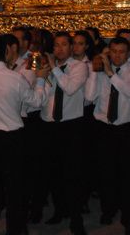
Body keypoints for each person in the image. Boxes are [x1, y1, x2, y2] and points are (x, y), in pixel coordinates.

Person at [0, 35, 49, 235]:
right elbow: (36, 101)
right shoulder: (15, 78)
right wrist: (40, 79)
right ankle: (15, 229)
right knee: (15, 189)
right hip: (11, 138)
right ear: (7, 51)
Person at [85, 36, 130, 235]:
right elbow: (89, 97)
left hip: (127, 129)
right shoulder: (102, 70)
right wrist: (96, 71)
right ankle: (108, 209)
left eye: (121, 52)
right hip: (105, 128)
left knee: (129, 176)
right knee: (106, 173)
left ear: (128, 54)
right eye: (113, 51)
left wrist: (110, 73)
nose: (117, 56)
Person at [40, 31, 89, 235]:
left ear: (71, 48)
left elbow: (69, 88)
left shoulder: (79, 67)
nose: (59, 49)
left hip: (71, 126)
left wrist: (53, 68)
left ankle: (76, 219)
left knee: (72, 174)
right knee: (54, 173)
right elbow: (41, 94)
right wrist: (41, 77)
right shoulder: (48, 68)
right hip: (49, 124)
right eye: (56, 45)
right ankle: (59, 210)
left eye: (63, 45)